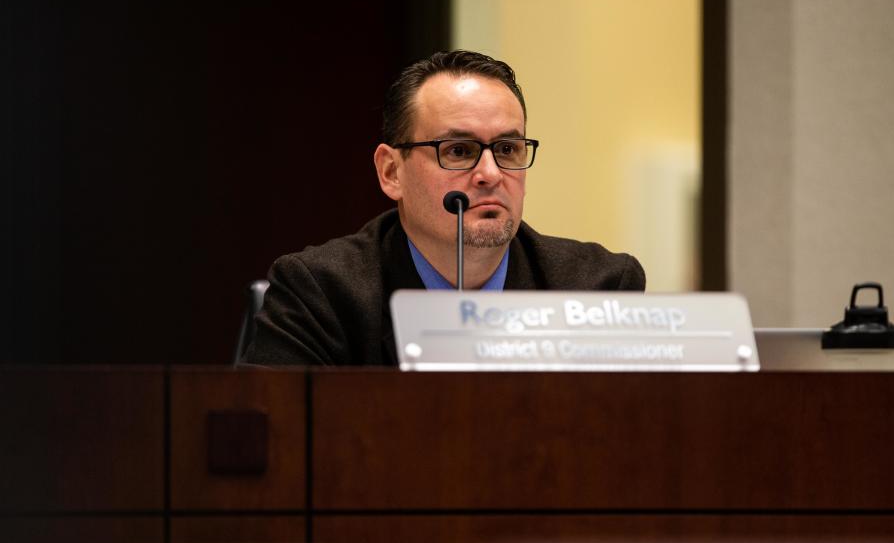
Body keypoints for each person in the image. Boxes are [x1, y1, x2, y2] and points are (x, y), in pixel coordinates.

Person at [243, 50, 645, 366]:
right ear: (391, 172)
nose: (490, 173)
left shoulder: (597, 290)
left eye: (507, 149)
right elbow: (277, 449)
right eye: (458, 151)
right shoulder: (322, 293)